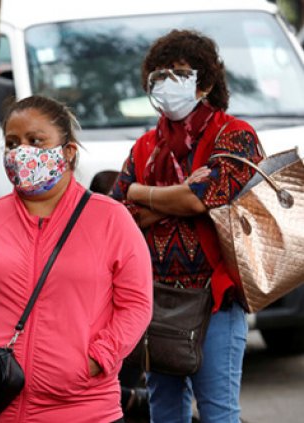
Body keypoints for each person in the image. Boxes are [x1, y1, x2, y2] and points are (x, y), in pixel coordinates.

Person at [0, 96, 153, 422]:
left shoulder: (111, 219)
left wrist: (95, 360)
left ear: (68, 152)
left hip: (87, 412)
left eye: (35, 141)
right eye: (12, 142)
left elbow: (136, 304)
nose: (22, 151)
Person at [110, 30, 263, 422]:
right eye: (158, 75)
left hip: (215, 299)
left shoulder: (235, 136)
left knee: (218, 412)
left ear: (205, 83)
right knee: (164, 410)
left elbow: (205, 198)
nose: (166, 84)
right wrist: (180, 195)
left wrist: (145, 195)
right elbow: (120, 213)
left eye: (178, 73)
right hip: (156, 299)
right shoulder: (145, 145)